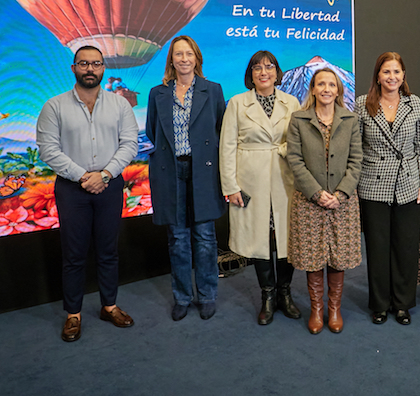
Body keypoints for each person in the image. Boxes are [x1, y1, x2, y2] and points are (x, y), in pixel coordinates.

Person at [36, 45, 138, 342]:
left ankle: (109, 306)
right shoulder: (54, 106)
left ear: (104, 68)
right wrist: (83, 176)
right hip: (71, 189)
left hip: (109, 185)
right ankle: (73, 314)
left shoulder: (120, 106)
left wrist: (105, 174)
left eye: (96, 64)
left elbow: (130, 143)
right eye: (84, 64)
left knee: (108, 250)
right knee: (74, 253)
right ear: (74, 68)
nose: (90, 69)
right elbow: (48, 150)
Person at [145, 36, 226, 322]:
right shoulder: (158, 94)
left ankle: (206, 295)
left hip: (203, 170)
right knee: (177, 238)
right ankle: (181, 297)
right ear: (171, 60)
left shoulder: (213, 90)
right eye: (178, 54)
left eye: (188, 53)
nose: (183, 59)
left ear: (197, 58)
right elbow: (153, 132)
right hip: (171, 171)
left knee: (204, 237)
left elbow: (220, 131)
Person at [219, 50, 302, 325]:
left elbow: (302, 141)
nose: (263, 72)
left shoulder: (292, 103)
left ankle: (285, 294)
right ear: (250, 74)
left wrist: (284, 149)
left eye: (269, 67)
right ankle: (267, 296)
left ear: (278, 73)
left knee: (287, 238)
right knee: (261, 240)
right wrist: (230, 185)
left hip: (285, 179)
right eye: (257, 67)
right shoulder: (237, 103)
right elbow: (227, 146)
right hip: (250, 180)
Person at [355, 52, 420, 325]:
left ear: (403, 76)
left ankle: (402, 304)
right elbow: (356, 148)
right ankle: (379, 304)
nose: (392, 77)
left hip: (409, 185)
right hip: (373, 185)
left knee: (406, 248)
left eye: (397, 72)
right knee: (377, 248)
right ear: (377, 75)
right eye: (386, 72)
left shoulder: (414, 104)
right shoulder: (363, 104)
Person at [286, 68, 362, 334]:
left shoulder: (351, 120)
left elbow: (356, 161)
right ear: (313, 89)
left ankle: (334, 309)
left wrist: (341, 194)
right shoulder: (299, 119)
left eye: (332, 84)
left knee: (338, 256)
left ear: (339, 90)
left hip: (343, 201)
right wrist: (316, 193)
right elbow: (294, 159)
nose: (327, 89)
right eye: (321, 84)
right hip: (309, 201)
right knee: (313, 256)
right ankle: (317, 309)